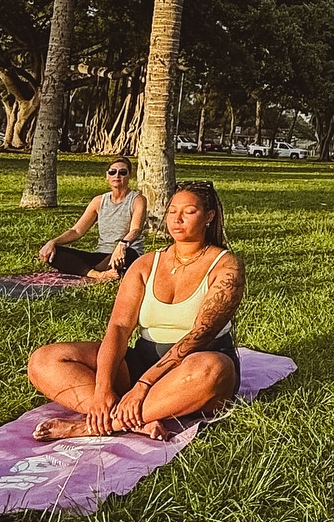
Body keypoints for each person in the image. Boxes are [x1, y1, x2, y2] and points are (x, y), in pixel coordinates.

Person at [27, 183, 243, 441]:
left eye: (189, 211)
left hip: (193, 366)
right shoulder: (146, 264)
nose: (177, 219)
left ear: (208, 217)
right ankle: (122, 416)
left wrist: (144, 386)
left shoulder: (226, 266)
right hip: (142, 361)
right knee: (44, 360)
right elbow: (118, 328)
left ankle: (97, 425)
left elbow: (200, 335)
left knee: (212, 368)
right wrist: (102, 389)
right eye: (172, 211)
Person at [37, 158, 146, 281]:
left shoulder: (137, 200)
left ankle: (89, 270)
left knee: (129, 254)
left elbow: (136, 229)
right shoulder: (98, 201)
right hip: (101, 254)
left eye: (122, 172)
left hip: (125, 252)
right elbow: (77, 231)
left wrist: (122, 245)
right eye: (112, 172)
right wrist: (53, 242)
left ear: (129, 176)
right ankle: (97, 273)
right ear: (107, 176)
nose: (117, 175)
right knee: (54, 253)